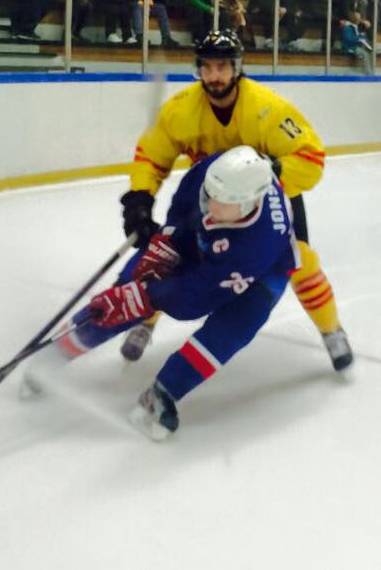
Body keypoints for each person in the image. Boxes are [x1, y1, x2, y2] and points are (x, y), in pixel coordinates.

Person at [22, 146, 299, 440]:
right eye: (211, 194)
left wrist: (143, 296)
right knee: (129, 286)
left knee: (235, 326)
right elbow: (185, 202)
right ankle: (57, 352)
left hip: (262, 270)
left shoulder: (257, 245)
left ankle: (164, 392)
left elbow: (193, 298)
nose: (211, 204)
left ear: (247, 204)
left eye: (223, 203)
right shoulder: (215, 171)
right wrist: (168, 240)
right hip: (206, 236)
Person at [117, 30, 353, 372]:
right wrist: (140, 196)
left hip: (267, 199)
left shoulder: (267, 108)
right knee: (166, 255)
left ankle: (332, 330)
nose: (215, 76)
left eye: (222, 67)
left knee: (300, 259)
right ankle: (145, 321)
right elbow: (151, 156)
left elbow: (310, 157)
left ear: (237, 68)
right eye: (208, 68)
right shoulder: (180, 110)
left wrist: (271, 172)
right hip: (208, 199)